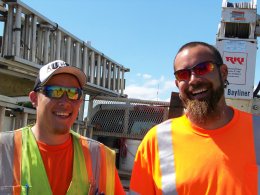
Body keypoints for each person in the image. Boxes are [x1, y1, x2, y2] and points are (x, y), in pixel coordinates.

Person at [129, 41, 260, 195]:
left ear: (223, 72)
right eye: (183, 74)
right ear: (177, 84)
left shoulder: (257, 132)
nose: (193, 79)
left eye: (203, 68)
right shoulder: (156, 141)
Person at [0, 60, 125, 195]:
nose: (65, 102)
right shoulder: (4, 148)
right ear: (34, 98)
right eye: (55, 91)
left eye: (73, 93)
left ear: (80, 102)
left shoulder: (100, 157)